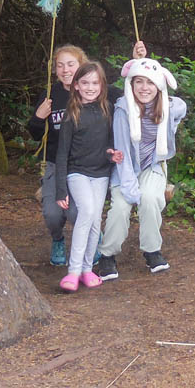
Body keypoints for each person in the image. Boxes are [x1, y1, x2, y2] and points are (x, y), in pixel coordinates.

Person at [27, 41, 146, 265]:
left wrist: (137, 62)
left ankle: (92, 241)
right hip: (57, 163)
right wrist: (38, 118)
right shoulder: (50, 95)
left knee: (77, 213)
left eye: (70, 64)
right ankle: (58, 239)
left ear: (81, 66)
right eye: (60, 65)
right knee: (53, 215)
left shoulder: (97, 90)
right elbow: (35, 134)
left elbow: (134, 93)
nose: (65, 70)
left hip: (90, 164)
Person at [96, 57, 187, 280]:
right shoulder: (123, 110)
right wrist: (129, 188)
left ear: (159, 86)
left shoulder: (168, 107)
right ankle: (107, 255)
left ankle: (152, 250)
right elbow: (123, 151)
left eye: (150, 83)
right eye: (139, 82)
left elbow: (181, 107)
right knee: (120, 206)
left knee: (150, 199)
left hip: (152, 165)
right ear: (131, 84)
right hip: (125, 166)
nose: (144, 88)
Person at [55, 61, 123, 292]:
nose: (90, 87)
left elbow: (109, 144)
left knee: (95, 220)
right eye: (85, 83)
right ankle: (73, 271)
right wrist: (60, 189)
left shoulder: (108, 110)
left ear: (102, 85)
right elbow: (62, 153)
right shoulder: (71, 114)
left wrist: (112, 155)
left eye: (95, 82)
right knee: (86, 212)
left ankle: (86, 269)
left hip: (101, 173)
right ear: (76, 86)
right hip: (77, 173)